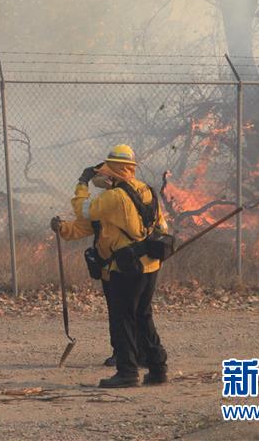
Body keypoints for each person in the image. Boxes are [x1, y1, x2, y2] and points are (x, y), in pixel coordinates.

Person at [50, 144, 169, 388]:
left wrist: (83, 182)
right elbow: (162, 229)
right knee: (143, 316)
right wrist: (62, 228)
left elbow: (83, 210)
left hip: (123, 270)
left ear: (113, 169)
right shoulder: (148, 192)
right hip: (149, 267)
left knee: (122, 318)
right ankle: (158, 369)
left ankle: (127, 372)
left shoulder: (113, 198)